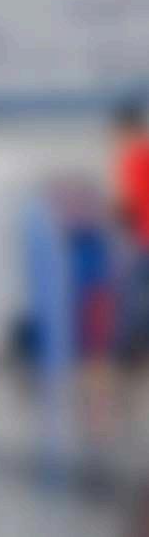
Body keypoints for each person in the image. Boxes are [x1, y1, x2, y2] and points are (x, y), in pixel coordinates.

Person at [112, 103, 149, 361]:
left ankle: (130, 349)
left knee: (131, 294)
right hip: (141, 236)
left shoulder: (131, 157)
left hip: (142, 238)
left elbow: (128, 204)